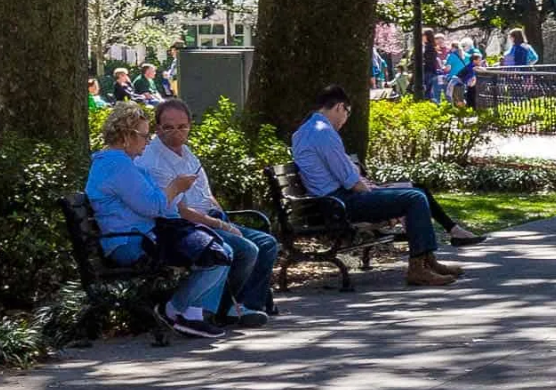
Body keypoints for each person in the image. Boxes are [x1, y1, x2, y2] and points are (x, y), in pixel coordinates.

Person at [290, 85, 480, 287]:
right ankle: (418, 268)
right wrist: (376, 192)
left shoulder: (305, 130)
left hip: (331, 202)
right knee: (414, 197)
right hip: (339, 204)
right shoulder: (323, 133)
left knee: (413, 192)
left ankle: (426, 261)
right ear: (339, 107)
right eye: (347, 113)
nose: (345, 120)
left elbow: (345, 173)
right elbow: (351, 181)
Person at [85, 102, 233, 339]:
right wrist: (175, 186)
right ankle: (174, 310)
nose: (147, 141)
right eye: (144, 136)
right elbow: (152, 205)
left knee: (219, 250)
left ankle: (192, 315)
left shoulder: (121, 163)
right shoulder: (118, 165)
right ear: (126, 136)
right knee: (217, 254)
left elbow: (155, 203)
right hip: (131, 242)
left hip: (144, 235)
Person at [138, 99, 278, 327]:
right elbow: (181, 211)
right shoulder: (154, 161)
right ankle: (222, 308)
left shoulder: (187, 152)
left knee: (267, 243)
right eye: (169, 127)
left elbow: (206, 193)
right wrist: (222, 225)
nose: (176, 132)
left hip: (210, 218)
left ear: (190, 126)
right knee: (245, 249)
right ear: (157, 128)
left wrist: (225, 218)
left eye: (182, 126)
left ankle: (244, 305)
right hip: (187, 226)